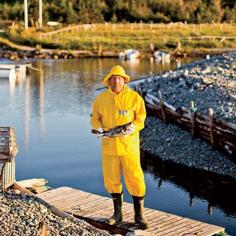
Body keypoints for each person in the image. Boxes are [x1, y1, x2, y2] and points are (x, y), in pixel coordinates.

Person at [90, 65, 148, 229]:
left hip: (129, 146)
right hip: (109, 146)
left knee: (135, 177)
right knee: (111, 179)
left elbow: (141, 118)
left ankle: (139, 215)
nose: (116, 80)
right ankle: (117, 214)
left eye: (119, 78)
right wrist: (97, 128)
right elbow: (95, 117)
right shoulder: (101, 99)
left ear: (124, 80)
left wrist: (134, 127)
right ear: (109, 81)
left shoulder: (134, 98)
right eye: (113, 78)